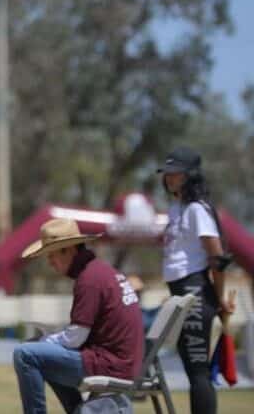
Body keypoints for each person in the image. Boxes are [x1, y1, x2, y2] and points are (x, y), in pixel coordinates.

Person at [13, 218, 143, 414]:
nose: (50, 262)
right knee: (39, 351)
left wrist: (45, 339)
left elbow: (75, 338)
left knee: (25, 354)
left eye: (52, 255)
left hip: (109, 364)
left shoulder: (89, 279)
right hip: (120, 362)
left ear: (69, 249)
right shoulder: (100, 271)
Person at [157, 147, 235, 414]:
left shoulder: (196, 209)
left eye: (176, 172)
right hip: (181, 290)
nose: (169, 177)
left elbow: (217, 258)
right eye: (167, 172)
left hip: (195, 291)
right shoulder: (176, 208)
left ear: (191, 175)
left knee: (198, 373)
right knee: (193, 372)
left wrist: (220, 298)